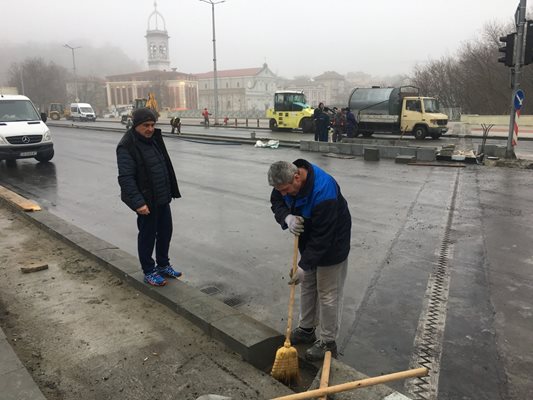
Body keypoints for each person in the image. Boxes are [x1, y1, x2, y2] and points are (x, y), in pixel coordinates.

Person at [267, 160, 352, 361]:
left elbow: (323, 238)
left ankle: (328, 342)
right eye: (281, 191)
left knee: (328, 292)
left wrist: (304, 265)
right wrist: (286, 217)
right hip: (309, 240)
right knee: (307, 285)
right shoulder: (283, 184)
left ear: (297, 177)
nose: (284, 194)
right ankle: (306, 329)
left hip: (332, 242)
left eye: (287, 190)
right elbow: (277, 203)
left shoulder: (324, 192)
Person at [116, 108, 182, 287]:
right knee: (147, 236)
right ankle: (149, 270)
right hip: (146, 202)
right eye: (146, 125)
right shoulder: (127, 145)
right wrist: (139, 203)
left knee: (165, 232)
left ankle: (163, 264)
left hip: (162, 197)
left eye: (152, 125)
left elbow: (163, 166)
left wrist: (170, 191)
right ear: (136, 125)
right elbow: (126, 178)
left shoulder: (153, 140)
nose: (150, 129)